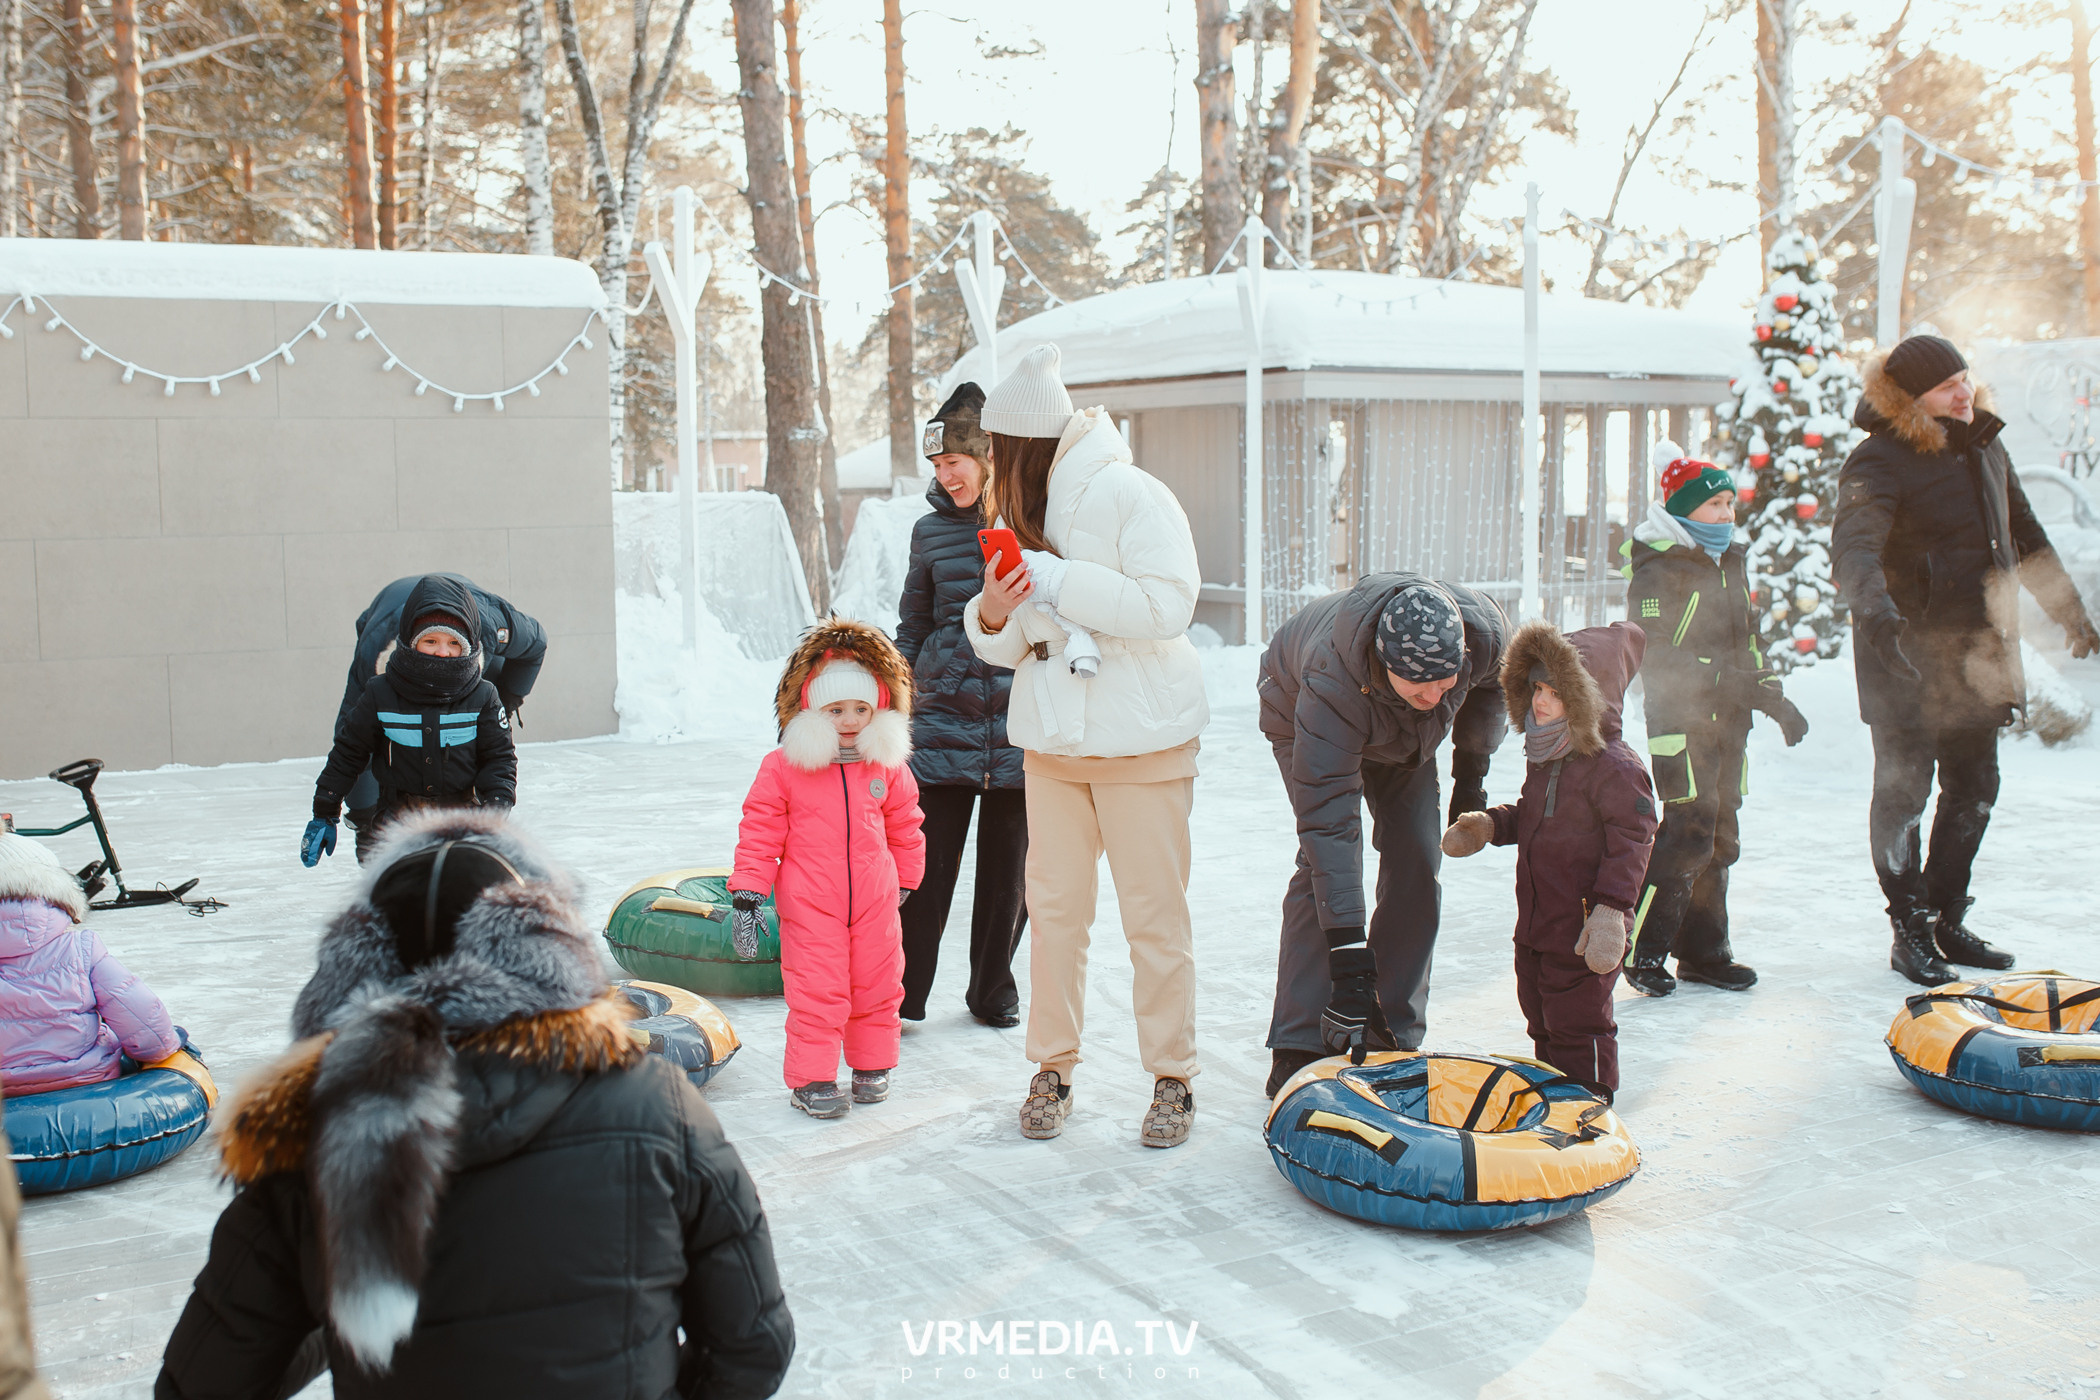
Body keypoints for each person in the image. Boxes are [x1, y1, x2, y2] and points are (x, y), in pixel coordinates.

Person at [156, 808, 795, 1398]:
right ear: (545, 943)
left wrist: (338, 1283)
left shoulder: (315, 1136)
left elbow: (204, 1384)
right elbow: (754, 1345)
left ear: (359, 967)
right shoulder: (656, 1104)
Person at [961, 343, 1210, 1149]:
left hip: (1142, 746)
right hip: (1054, 747)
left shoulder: (1134, 494)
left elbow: (1169, 605)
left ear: (1023, 444)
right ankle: (1051, 1067)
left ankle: (1172, 1078)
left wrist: (1060, 580)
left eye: (995, 446)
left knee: (1154, 922)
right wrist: (996, 610)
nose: (987, 460)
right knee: (1057, 919)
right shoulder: (1011, 519)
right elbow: (1007, 643)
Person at [1832, 334, 2100, 985]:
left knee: (1977, 789)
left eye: (1965, 377)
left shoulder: (1985, 444)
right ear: (1910, 399)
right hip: (1905, 656)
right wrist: (1874, 609)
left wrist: (2071, 615)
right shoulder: (1877, 461)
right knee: (1904, 795)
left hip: (1979, 654)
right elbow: (1855, 547)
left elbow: (2026, 535)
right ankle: (1909, 928)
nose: (1965, 391)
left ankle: (1945, 916)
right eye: (1948, 385)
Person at [1257, 573, 1508, 1098]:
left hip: (1403, 737)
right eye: (1423, 686)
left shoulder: (1481, 636)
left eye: (1446, 684)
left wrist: (1471, 781)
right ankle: (1301, 1041)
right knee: (1323, 863)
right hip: (1300, 706)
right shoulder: (1332, 684)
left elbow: (1491, 690)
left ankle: (1391, 1027)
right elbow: (1330, 824)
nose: (1437, 694)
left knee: (1417, 856)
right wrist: (1350, 958)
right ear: (1387, 663)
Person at [1620, 443, 1810, 997]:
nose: (1727, 515)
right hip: (1680, 720)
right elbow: (1655, 652)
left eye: (1730, 504)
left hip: (1730, 724)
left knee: (1722, 834)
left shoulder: (1731, 563)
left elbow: (1750, 640)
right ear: (1682, 509)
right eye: (1715, 506)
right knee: (1688, 831)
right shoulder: (1659, 568)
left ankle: (1704, 952)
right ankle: (1640, 948)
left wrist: (1774, 699)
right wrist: (1731, 682)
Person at [1440, 622, 1657, 1101]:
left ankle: (1588, 1109)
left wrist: (1609, 912)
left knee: (1579, 1025)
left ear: (1586, 700)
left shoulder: (1616, 768)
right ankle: (1550, 1102)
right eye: (1537, 687)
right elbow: (1536, 816)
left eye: (1555, 692)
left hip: (1585, 930)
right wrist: (1491, 825)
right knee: (1540, 1015)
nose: (1540, 701)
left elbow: (1634, 840)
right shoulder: (1547, 753)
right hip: (1538, 923)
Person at [729, 620, 926, 1120]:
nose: (849, 720)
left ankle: (871, 1064)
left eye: (861, 708)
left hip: (875, 899)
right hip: (811, 900)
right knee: (818, 987)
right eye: (836, 709)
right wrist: (749, 894)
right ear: (813, 707)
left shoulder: (886, 767)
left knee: (878, 983)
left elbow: (906, 824)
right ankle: (813, 1077)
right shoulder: (784, 768)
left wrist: (906, 877)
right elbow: (760, 831)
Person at [894, 383, 1030, 1028]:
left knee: (1011, 878)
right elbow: (913, 623)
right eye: (938, 465)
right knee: (923, 870)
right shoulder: (928, 533)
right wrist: (900, 698)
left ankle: (992, 990)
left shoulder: (1028, 524)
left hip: (1017, 725)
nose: (947, 476)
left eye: (957, 461)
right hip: (942, 717)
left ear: (987, 458)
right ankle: (901, 990)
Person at [306, 575, 517, 866]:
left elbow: (500, 760)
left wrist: (493, 813)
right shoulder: (381, 692)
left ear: (468, 645)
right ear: (410, 642)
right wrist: (325, 811)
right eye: (431, 640)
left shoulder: (482, 695)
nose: (442, 651)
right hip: (397, 822)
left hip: (463, 823)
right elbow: (348, 753)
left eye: (453, 642)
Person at [0, 832, 178, 1095]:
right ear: (55, 890)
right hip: (84, 1080)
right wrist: (163, 1049)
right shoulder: (81, 948)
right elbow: (139, 1014)